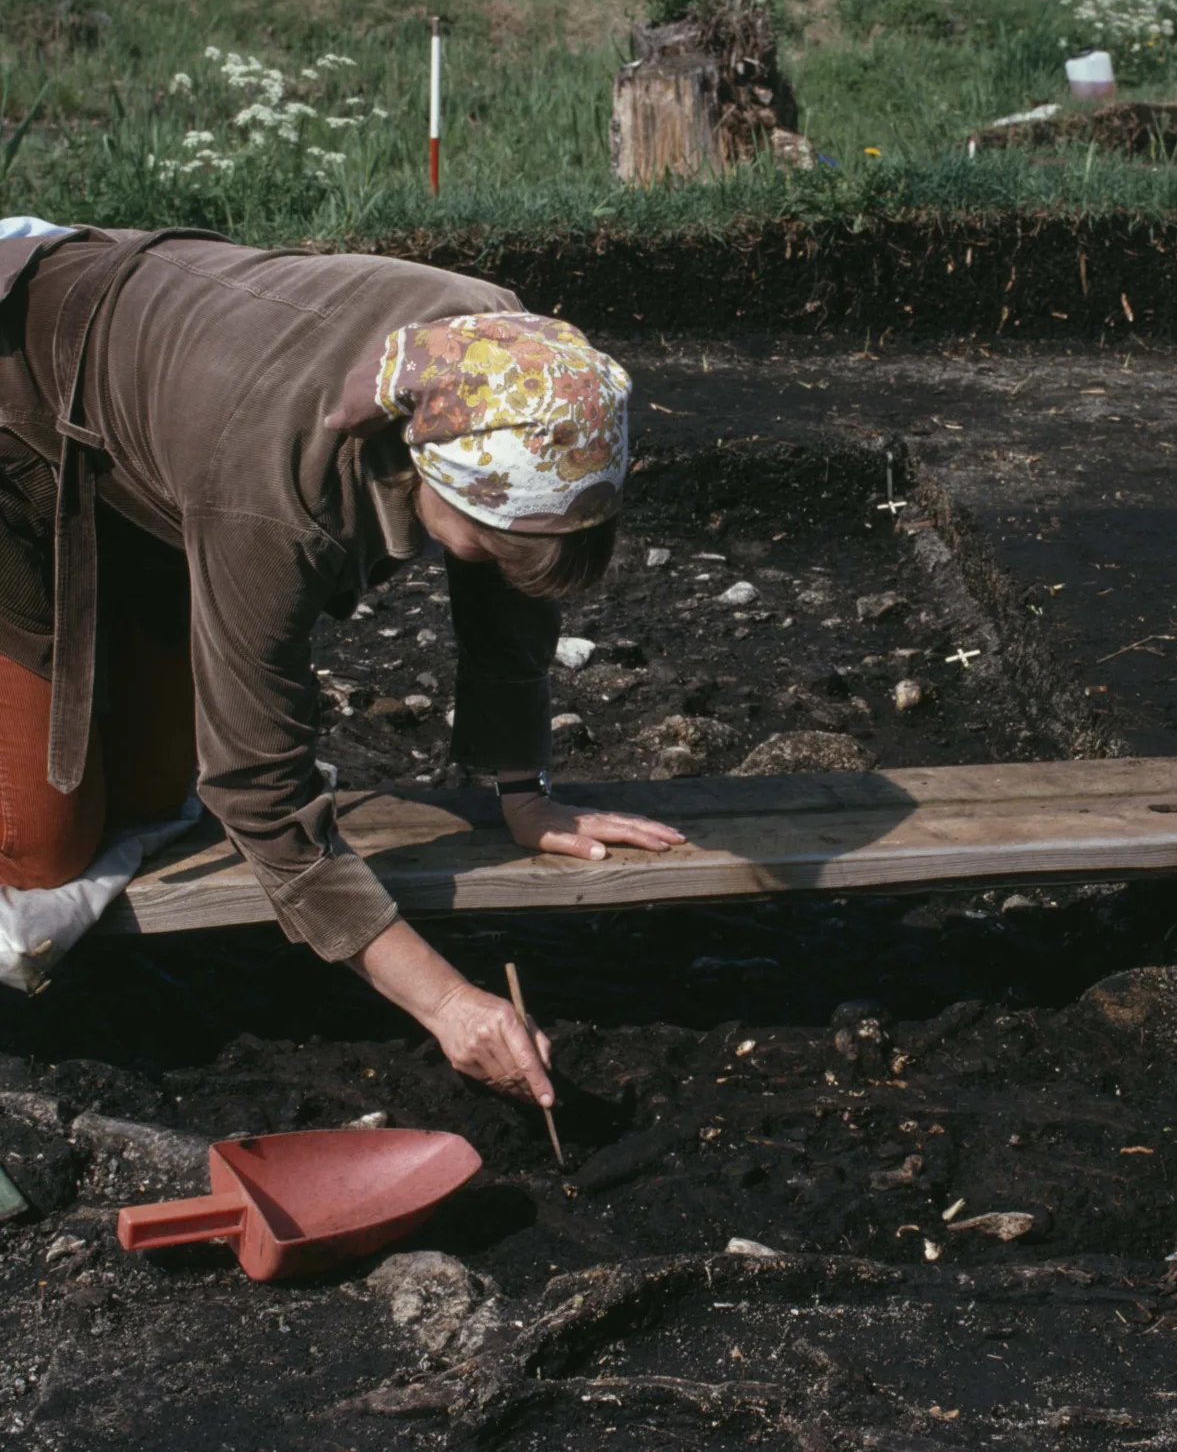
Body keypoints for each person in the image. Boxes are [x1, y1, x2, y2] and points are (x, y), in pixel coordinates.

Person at [0, 221, 686, 1101]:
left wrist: (526, 794)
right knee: (42, 849)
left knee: (143, 797)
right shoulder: (276, 492)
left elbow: (516, 586)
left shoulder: (510, 364)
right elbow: (257, 787)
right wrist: (445, 1002)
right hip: (19, 408)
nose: (500, 565)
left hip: (148, 444)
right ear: (425, 469)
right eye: (489, 542)